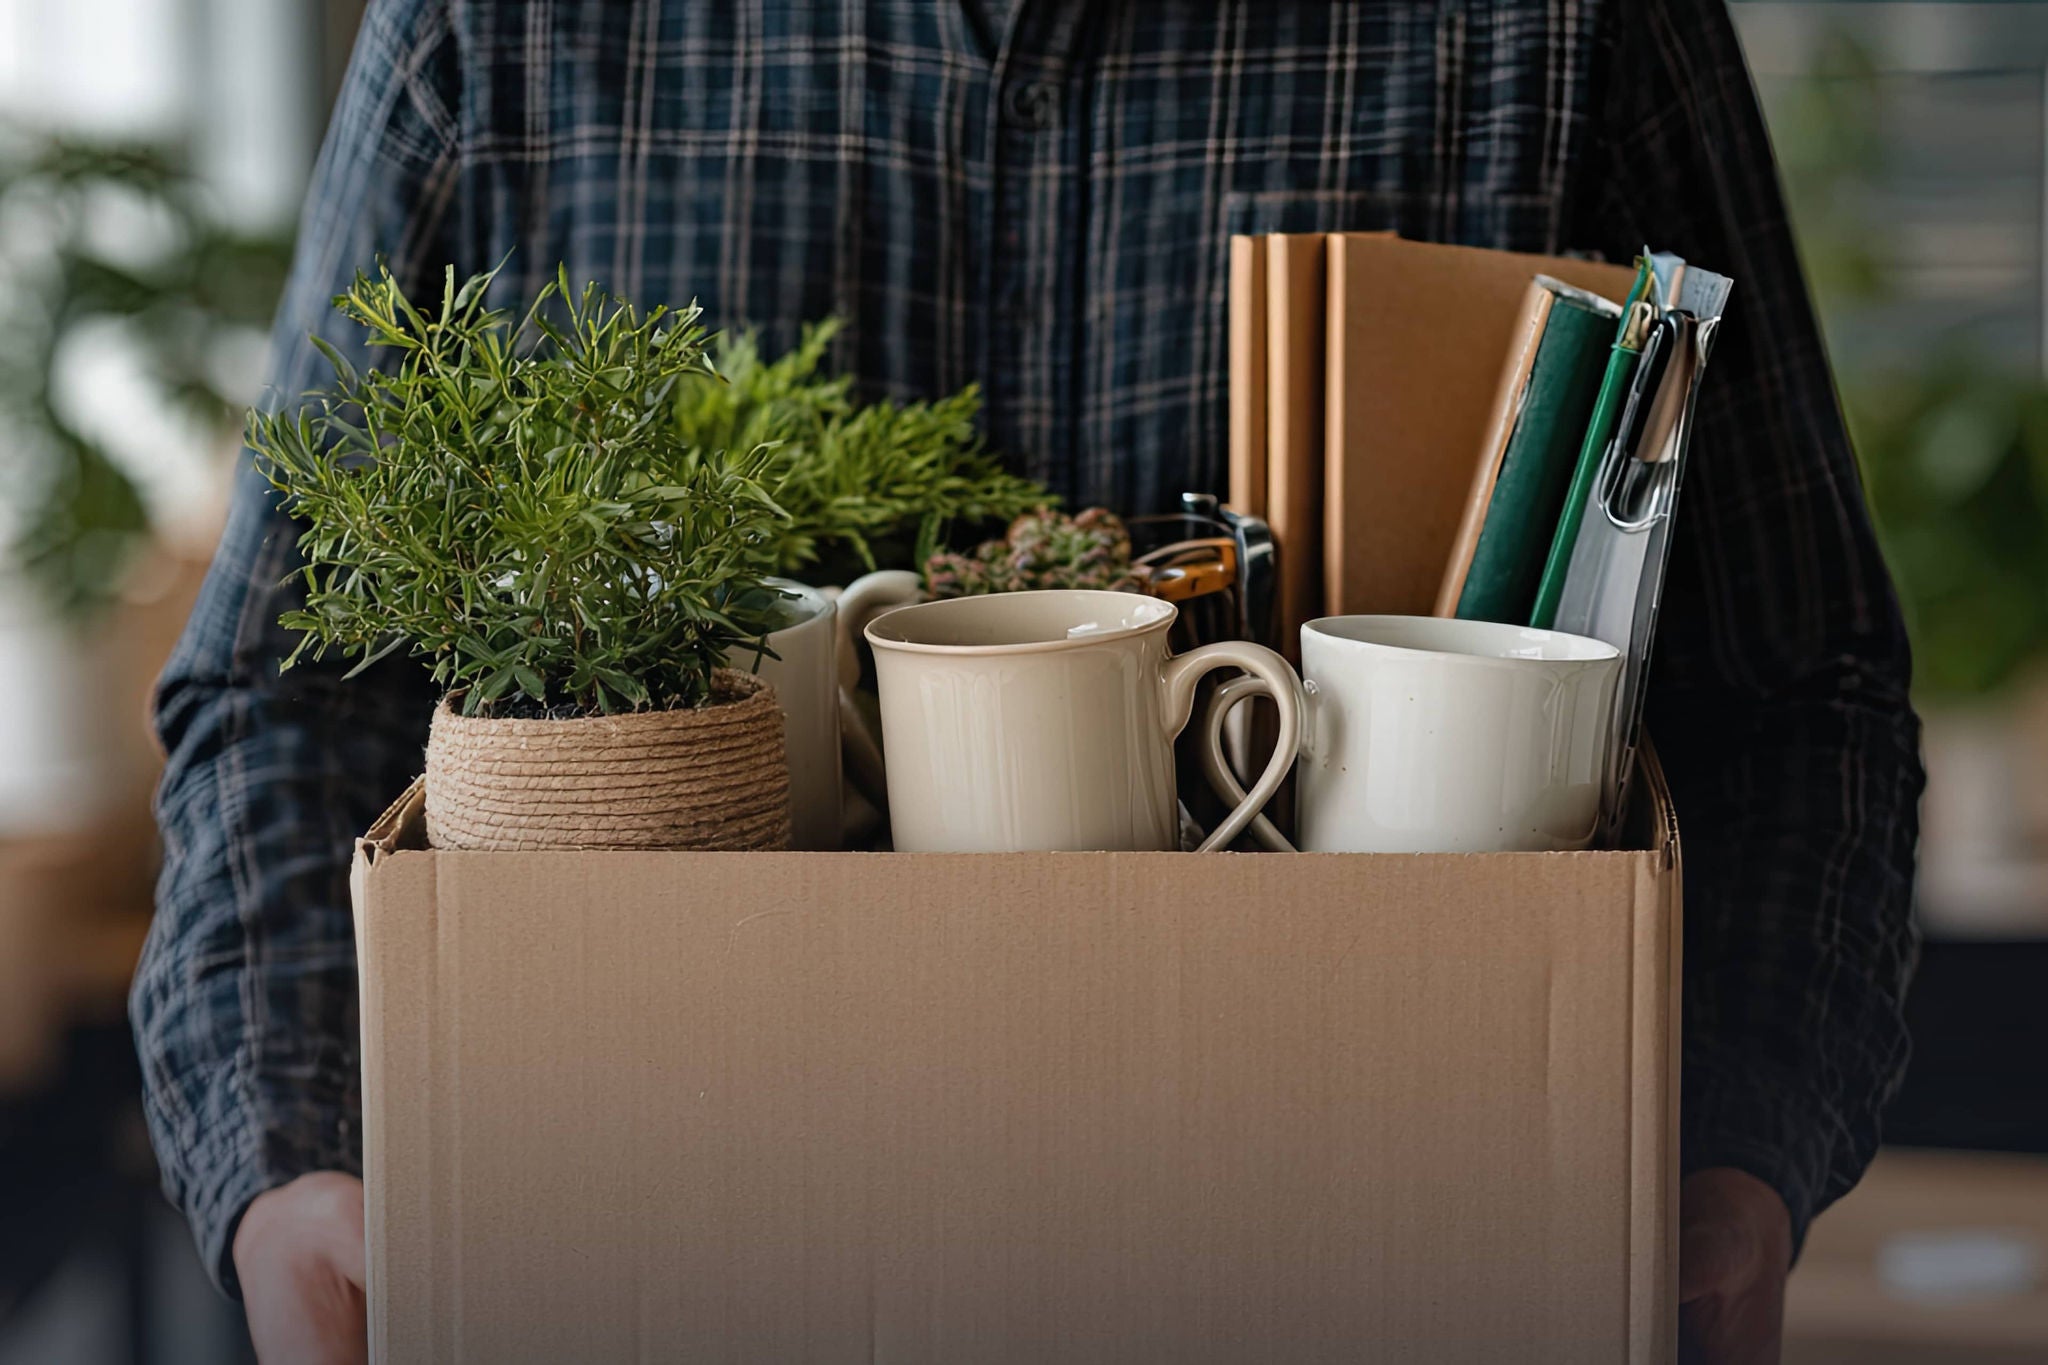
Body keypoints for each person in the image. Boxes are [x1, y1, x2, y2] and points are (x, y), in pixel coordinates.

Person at [132, 2, 1923, 1361]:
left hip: (1365, 1244)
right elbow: (285, 688)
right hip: (678, 1248)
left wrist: (1743, 1156)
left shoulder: (1551, 24)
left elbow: (1798, 680)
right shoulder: (502, 31)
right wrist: (285, 1161)